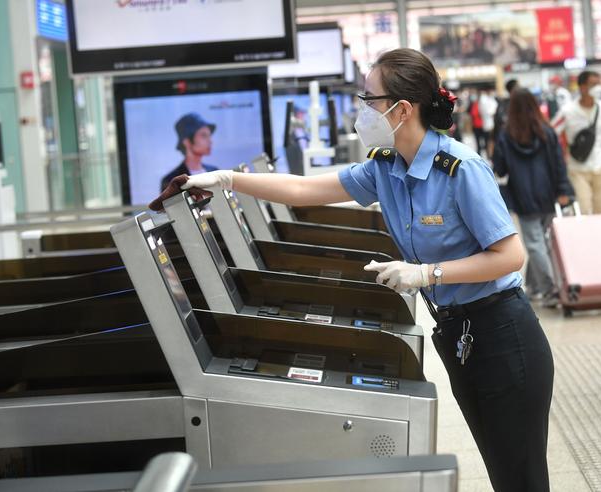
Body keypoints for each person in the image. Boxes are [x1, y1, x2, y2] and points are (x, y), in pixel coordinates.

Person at [173, 48, 555, 491]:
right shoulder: (386, 169)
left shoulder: (460, 169)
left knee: (522, 477)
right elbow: (301, 190)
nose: (363, 110)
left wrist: (426, 274)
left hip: (505, 337)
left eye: (370, 99)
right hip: (458, 336)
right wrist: (227, 181)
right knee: (502, 471)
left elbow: (510, 256)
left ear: (402, 109)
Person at [493, 89, 575, 308]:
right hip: (548, 193)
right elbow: (559, 163)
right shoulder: (546, 132)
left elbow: (499, 168)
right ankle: (538, 286)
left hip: (523, 196)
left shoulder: (506, 134)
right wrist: (563, 189)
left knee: (535, 243)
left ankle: (549, 289)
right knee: (543, 243)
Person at [551, 71, 601, 215]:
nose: (598, 88)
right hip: (577, 170)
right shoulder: (568, 111)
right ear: (582, 87)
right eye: (593, 84)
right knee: (583, 211)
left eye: (598, 84)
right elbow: (552, 132)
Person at [160, 113, 219, 192]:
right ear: (187, 141)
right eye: (204, 135)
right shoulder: (171, 181)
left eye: (209, 136)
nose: (210, 141)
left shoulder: (215, 172)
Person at [492, 79, 519, 147]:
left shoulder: (503, 103)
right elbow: (499, 120)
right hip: (510, 139)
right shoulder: (507, 104)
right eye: (518, 86)